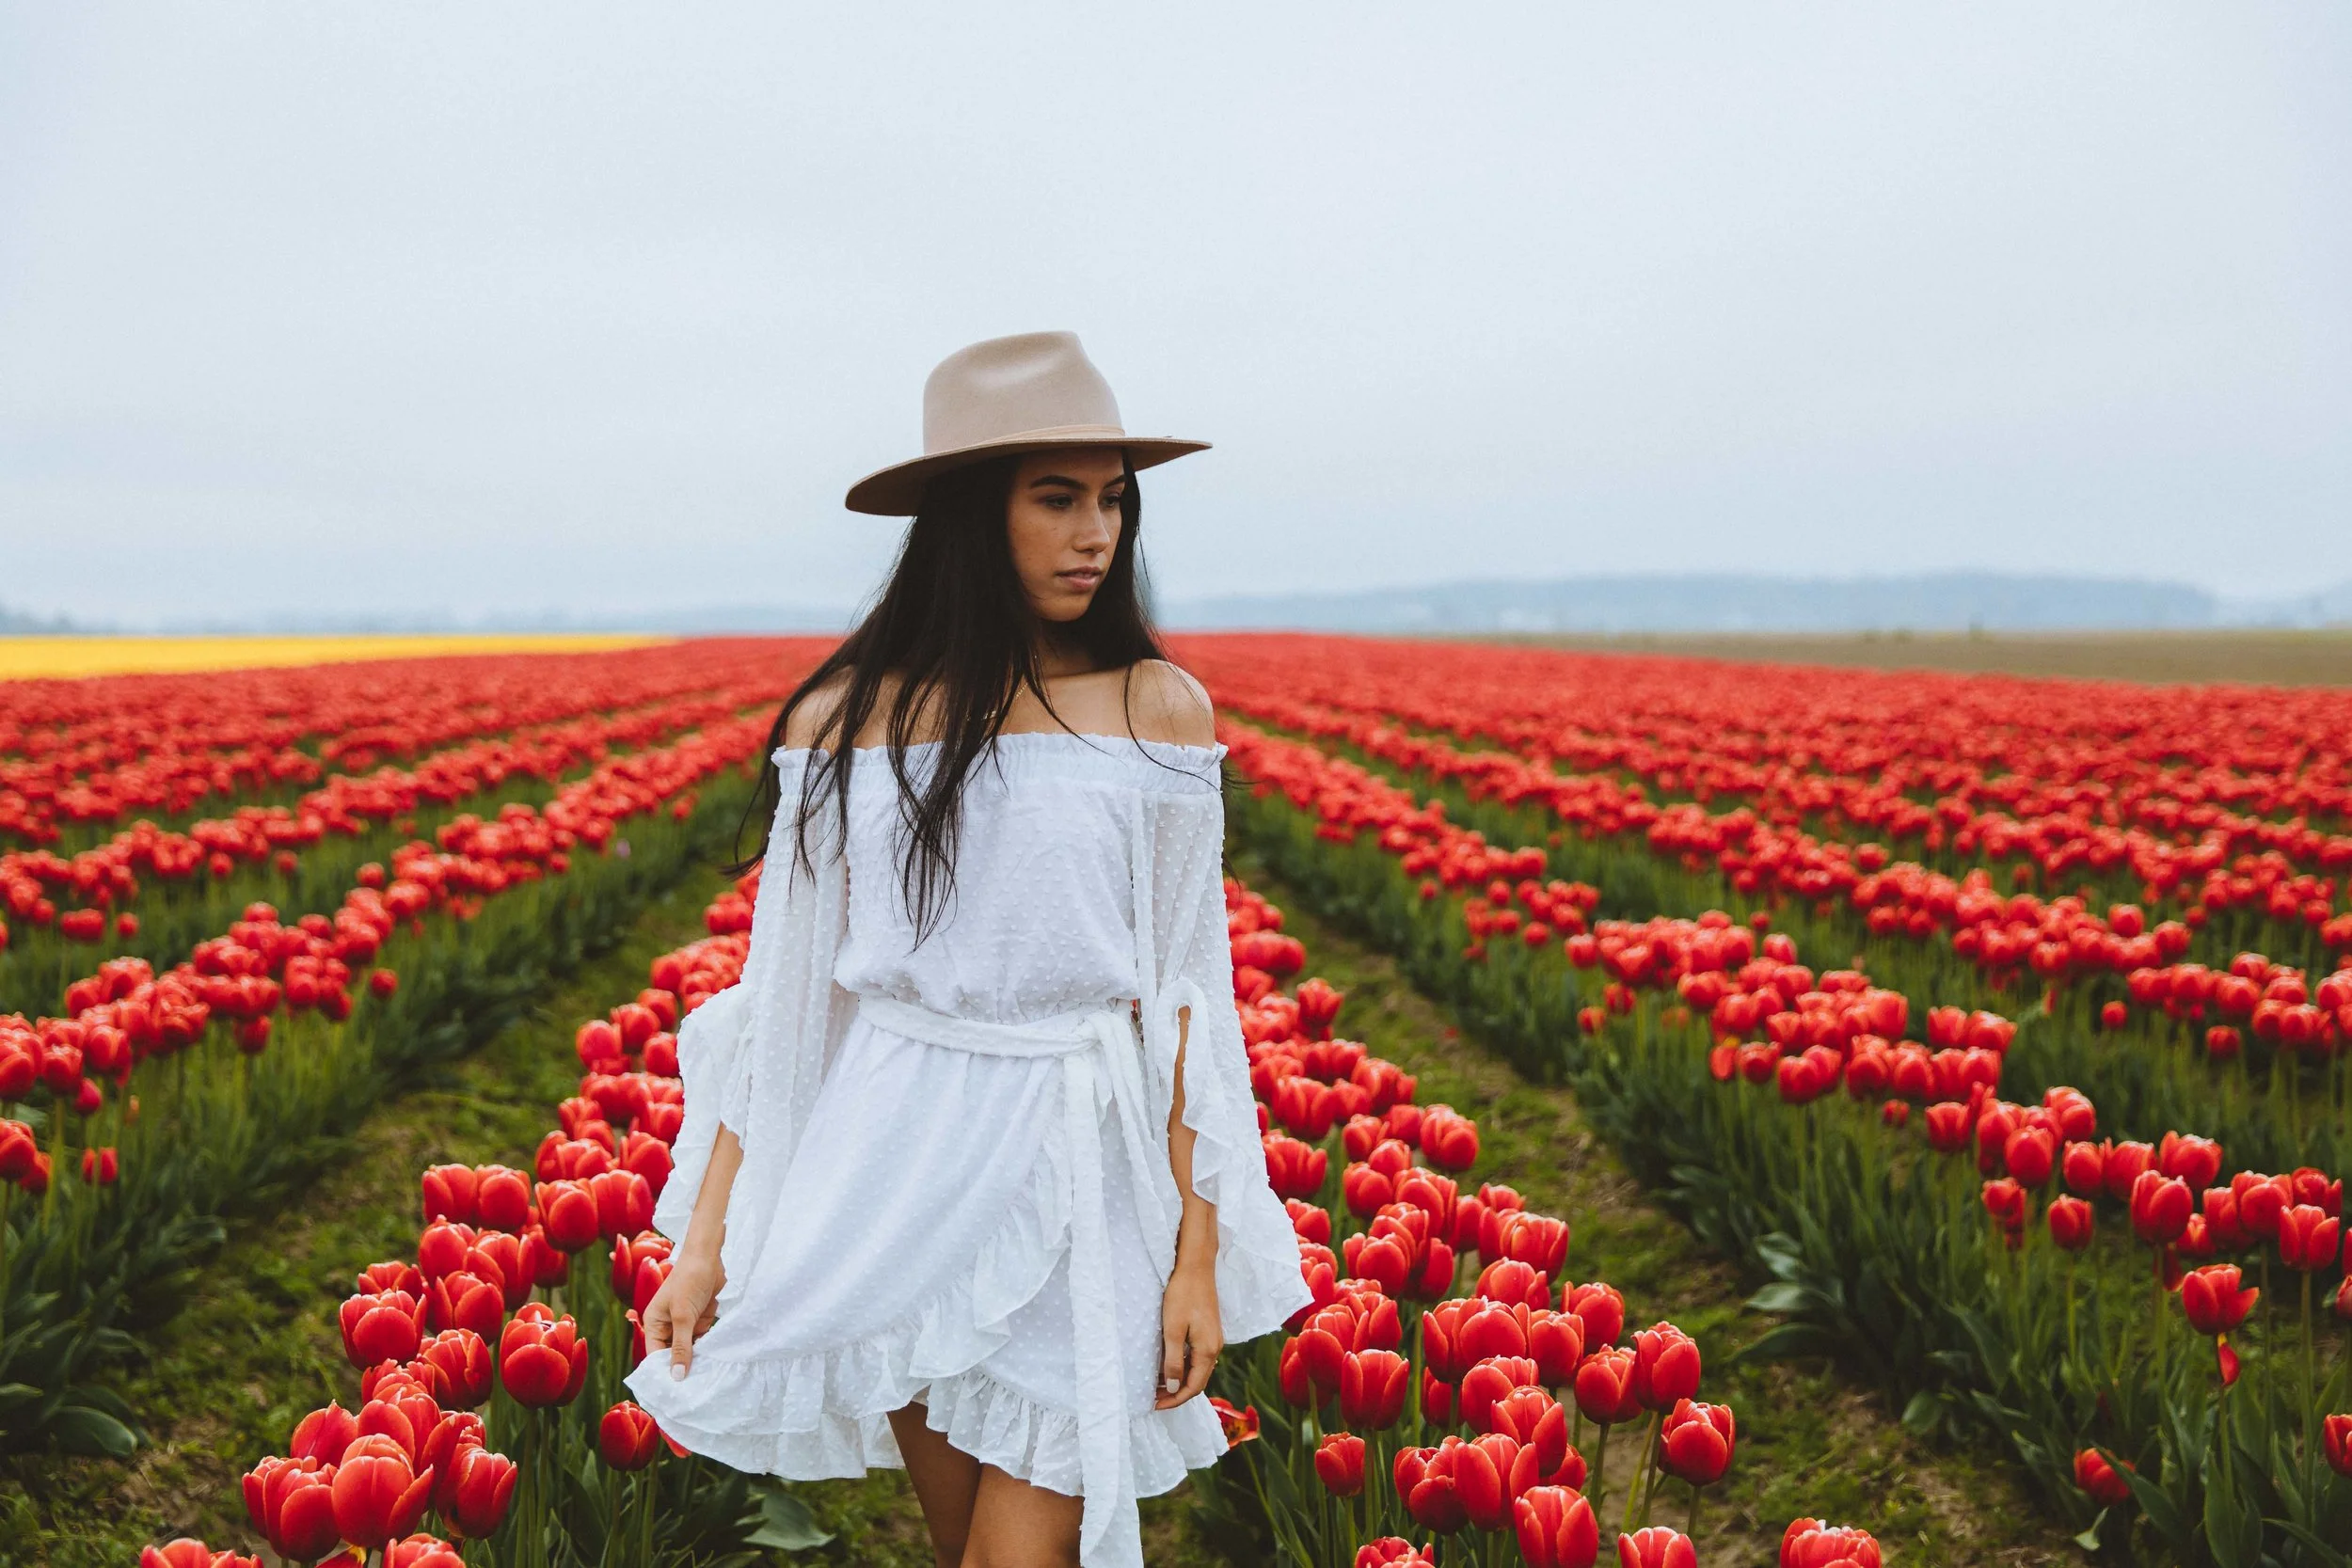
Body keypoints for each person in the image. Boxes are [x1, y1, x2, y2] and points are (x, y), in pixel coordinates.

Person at [624, 331, 1309, 1568]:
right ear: (965, 515)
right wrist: (709, 1241)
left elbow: (1187, 999)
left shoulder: (1157, 708)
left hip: (1081, 1151)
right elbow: (784, 1008)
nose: (1095, 531)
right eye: (1056, 497)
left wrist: (1195, 1254)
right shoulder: (845, 727)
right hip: (890, 1162)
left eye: (1111, 497)